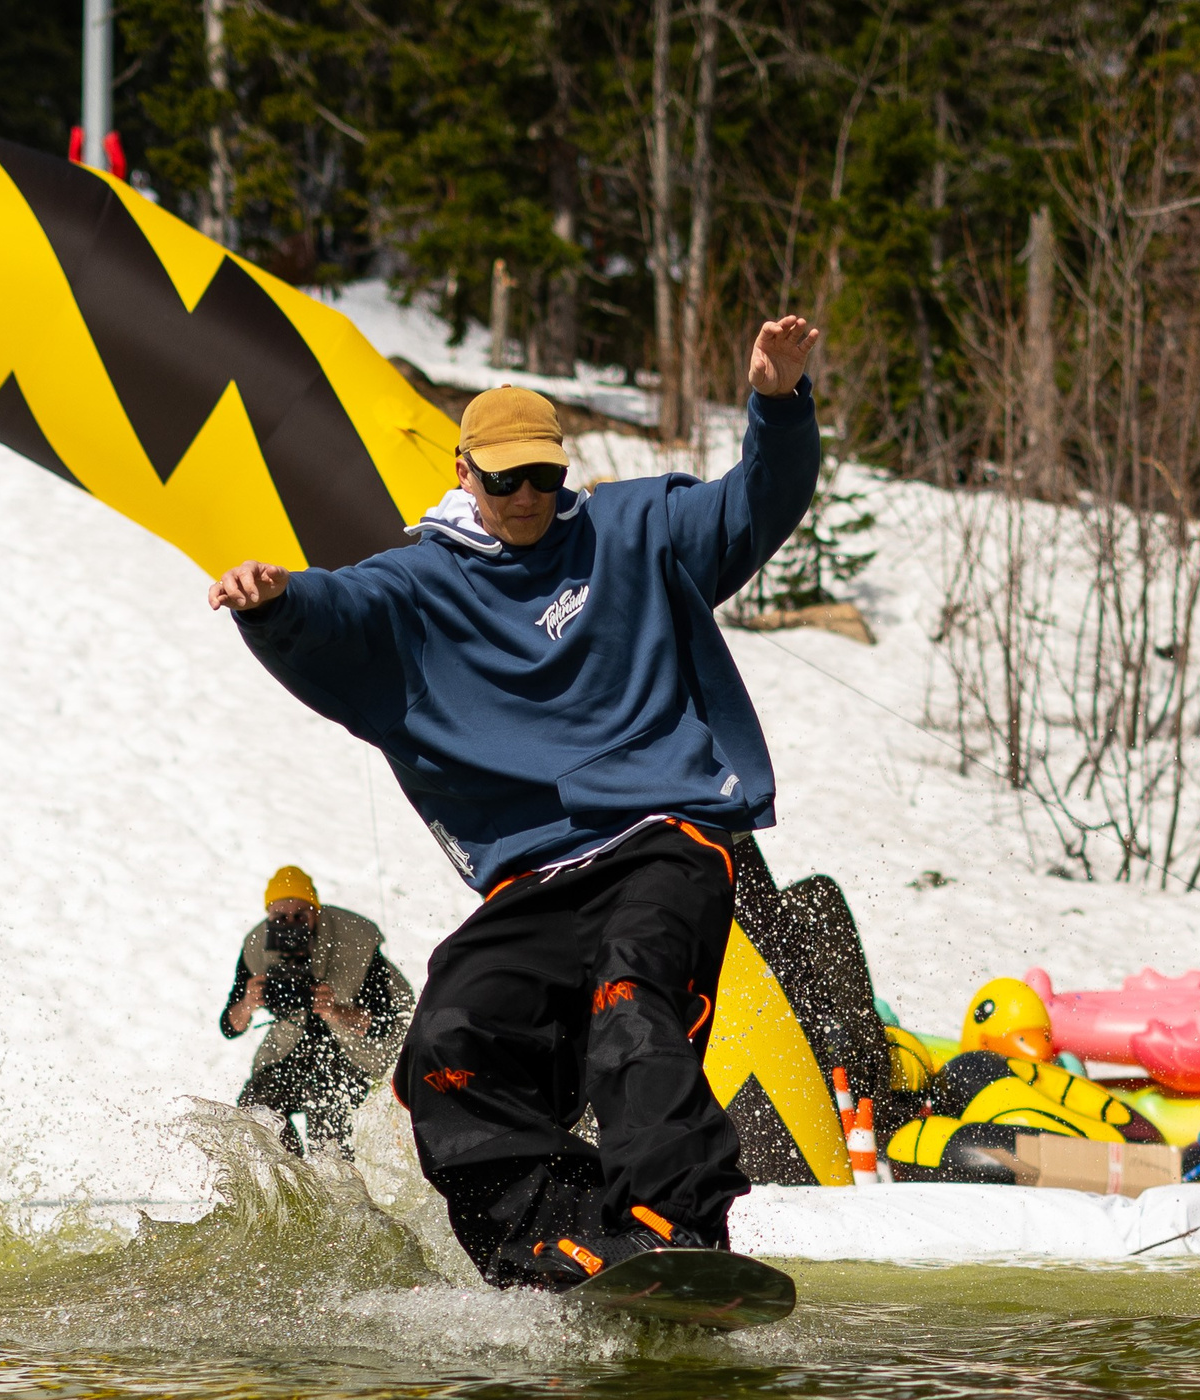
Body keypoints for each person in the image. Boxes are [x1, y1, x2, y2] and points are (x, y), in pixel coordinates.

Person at [207, 316, 824, 1292]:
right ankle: (560, 1243)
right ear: (464, 474)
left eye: (541, 476)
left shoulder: (633, 530)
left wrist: (778, 404)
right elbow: (339, 614)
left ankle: (675, 1225)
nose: (525, 497)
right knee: (447, 1045)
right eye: (502, 481)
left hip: (661, 839)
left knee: (632, 1002)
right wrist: (274, 603)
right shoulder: (419, 583)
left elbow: (755, 505)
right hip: (534, 879)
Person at [220, 865, 412, 1158]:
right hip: (291, 1045)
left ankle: (334, 1187)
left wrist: (335, 1010)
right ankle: (292, 1177)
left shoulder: (355, 941)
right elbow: (230, 1026)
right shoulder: (258, 944)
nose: (290, 925)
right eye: (280, 918)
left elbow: (387, 1022)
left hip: (354, 1052)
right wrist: (249, 1002)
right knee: (256, 1108)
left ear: (317, 912)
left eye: (301, 916)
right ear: (268, 917)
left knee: (326, 1110)